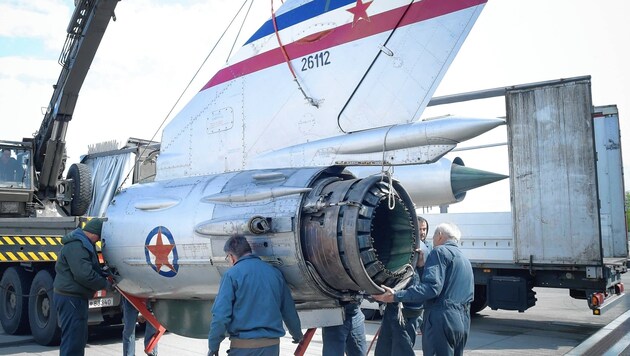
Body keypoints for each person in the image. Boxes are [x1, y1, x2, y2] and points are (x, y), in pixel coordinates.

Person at [372, 222, 474, 356]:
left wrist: (396, 296)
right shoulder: (464, 259)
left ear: (440, 235)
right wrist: (421, 267)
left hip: (442, 318)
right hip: (463, 321)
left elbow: (432, 288)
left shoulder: (439, 251)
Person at [207, 235, 303, 356]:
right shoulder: (274, 273)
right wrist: (297, 334)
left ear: (231, 257)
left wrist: (213, 346)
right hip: (271, 348)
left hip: (243, 349)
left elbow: (221, 316)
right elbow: (288, 309)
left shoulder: (231, 275)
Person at [53, 218, 111, 356]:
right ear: (95, 233)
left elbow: (88, 269)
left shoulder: (80, 244)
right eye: (99, 238)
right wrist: (106, 285)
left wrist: (103, 274)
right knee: (73, 340)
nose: (98, 241)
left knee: (77, 338)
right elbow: (84, 275)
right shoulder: (77, 246)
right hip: (71, 298)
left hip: (73, 297)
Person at [374, 216, 430, 356]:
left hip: (410, 310)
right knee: (384, 347)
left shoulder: (428, 251)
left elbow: (428, 284)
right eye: (419, 229)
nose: (422, 232)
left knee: (403, 347)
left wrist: (422, 265)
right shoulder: (402, 248)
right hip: (393, 305)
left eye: (424, 229)